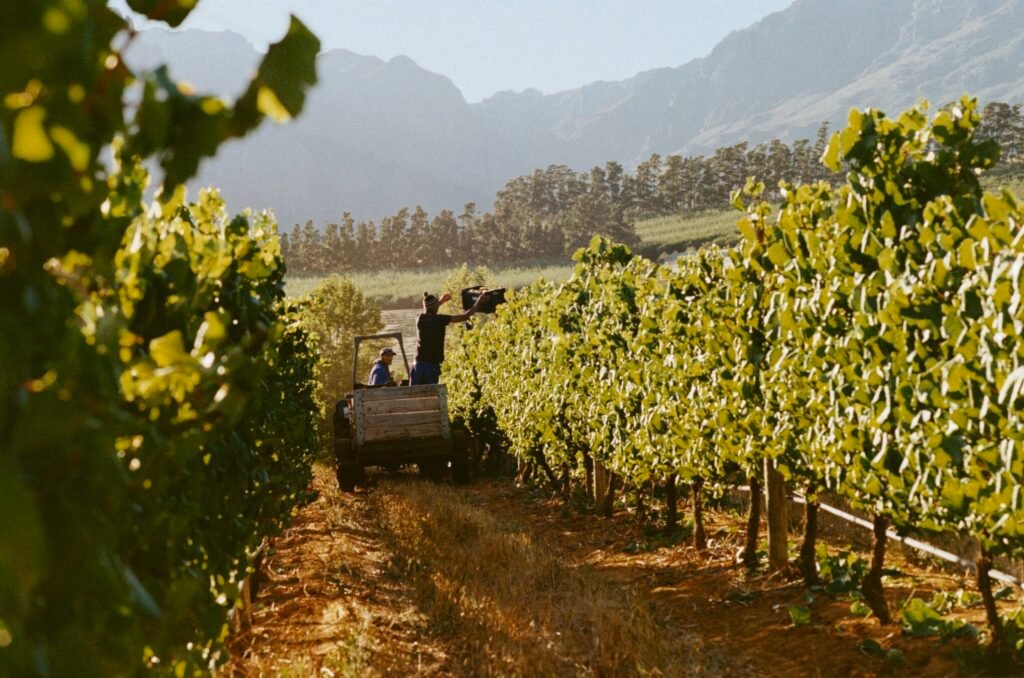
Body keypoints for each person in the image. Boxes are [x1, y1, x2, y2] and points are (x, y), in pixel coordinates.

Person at [410, 290, 487, 385]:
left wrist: (441, 301)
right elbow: (465, 316)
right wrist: (479, 300)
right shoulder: (439, 319)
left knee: (413, 395)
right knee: (430, 395)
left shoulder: (419, 318)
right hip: (431, 365)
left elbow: (430, 307)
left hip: (417, 364)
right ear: (435, 308)